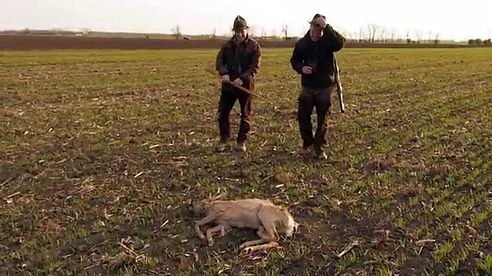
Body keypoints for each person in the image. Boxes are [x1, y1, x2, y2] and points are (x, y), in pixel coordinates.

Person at [290, 14, 345, 159]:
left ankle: (319, 147)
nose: (318, 31)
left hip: (325, 86)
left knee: (322, 119)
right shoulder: (302, 43)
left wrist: (327, 27)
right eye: (316, 27)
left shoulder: (328, 42)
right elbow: (294, 60)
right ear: (311, 27)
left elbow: (340, 43)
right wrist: (301, 68)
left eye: (321, 29)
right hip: (307, 87)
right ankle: (307, 143)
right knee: (303, 117)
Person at [215, 15, 261, 152]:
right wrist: (224, 73)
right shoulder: (227, 45)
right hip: (229, 85)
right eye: (237, 31)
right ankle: (224, 139)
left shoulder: (254, 46)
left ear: (246, 30)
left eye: (242, 31)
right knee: (223, 112)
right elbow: (219, 61)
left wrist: (242, 78)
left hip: (245, 85)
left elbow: (255, 66)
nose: (240, 34)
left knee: (245, 113)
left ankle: (241, 141)